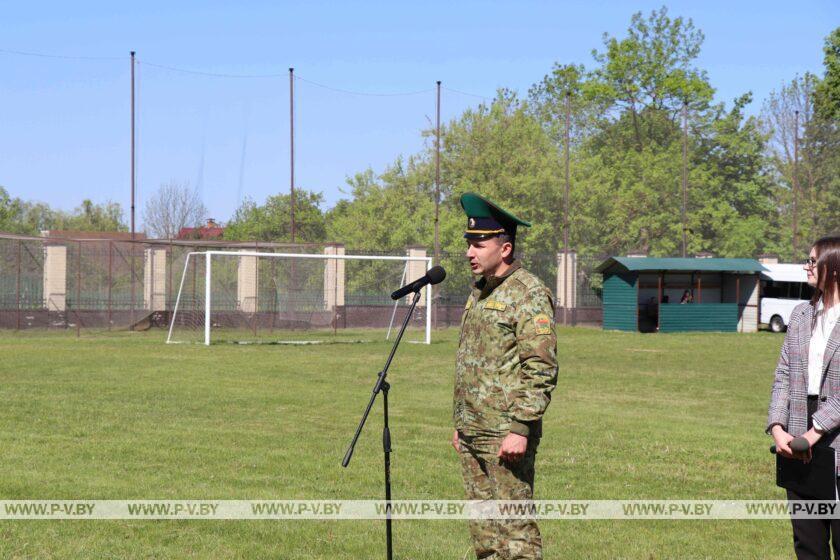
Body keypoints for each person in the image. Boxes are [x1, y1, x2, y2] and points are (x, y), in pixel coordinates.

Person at [452, 192, 558, 559]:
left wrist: (521, 427)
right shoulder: (479, 293)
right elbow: (475, 363)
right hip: (472, 431)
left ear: (506, 247)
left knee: (515, 536)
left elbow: (540, 367)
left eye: (479, 243)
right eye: (469, 243)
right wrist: (461, 424)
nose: (470, 252)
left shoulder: (528, 293)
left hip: (504, 434)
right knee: (485, 538)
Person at [768, 235, 840, 559]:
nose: (806, 267)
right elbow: (783, 374)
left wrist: (812, 436)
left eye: (812, 261)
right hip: (796, 442)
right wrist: (778, 427)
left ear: (834, 268)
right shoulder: (799, 315)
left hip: (833, 443)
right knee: (807, 544)